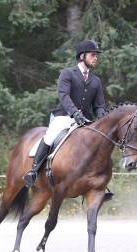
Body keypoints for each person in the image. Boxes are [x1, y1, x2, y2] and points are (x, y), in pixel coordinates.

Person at [22, 40, 107, 188]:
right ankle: (33, 171)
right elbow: (64, 96)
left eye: (96, 56)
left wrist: (102, 119)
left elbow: (99, 105)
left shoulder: (96, 81)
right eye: (93, 55)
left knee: (98, 143)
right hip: (64, 117)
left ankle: (99, 182)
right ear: (82, 56)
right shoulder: (67, 73)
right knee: (50, 136)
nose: (96, 58)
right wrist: (75, 113)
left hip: (85, 120)